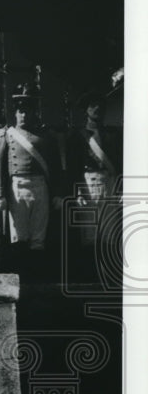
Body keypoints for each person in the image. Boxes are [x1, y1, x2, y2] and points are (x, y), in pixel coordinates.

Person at [0, 83, 62, 279]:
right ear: (15, 112)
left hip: (41, 187)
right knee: (19, 236)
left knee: (39, 236)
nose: (24, 115)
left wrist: (57, 193)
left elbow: (55, 167)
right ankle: (20, 279)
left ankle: (37, 279)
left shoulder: (46, 136)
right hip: (17, 189)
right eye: (21, 110)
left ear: (34, 111)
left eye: (28, 110)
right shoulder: (6, 135)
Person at [65, 90, 123, 282]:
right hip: (88, 184)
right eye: (92, 105)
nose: (97, 109)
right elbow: (73, 167)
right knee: (90, 232)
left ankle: (108, 275)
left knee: (109, 232)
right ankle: (89, 274)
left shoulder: (114, 135)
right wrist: (78, 191)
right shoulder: (78, 136)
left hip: (110, 183)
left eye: (100, 105)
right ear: (86, 110)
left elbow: (122, 163)